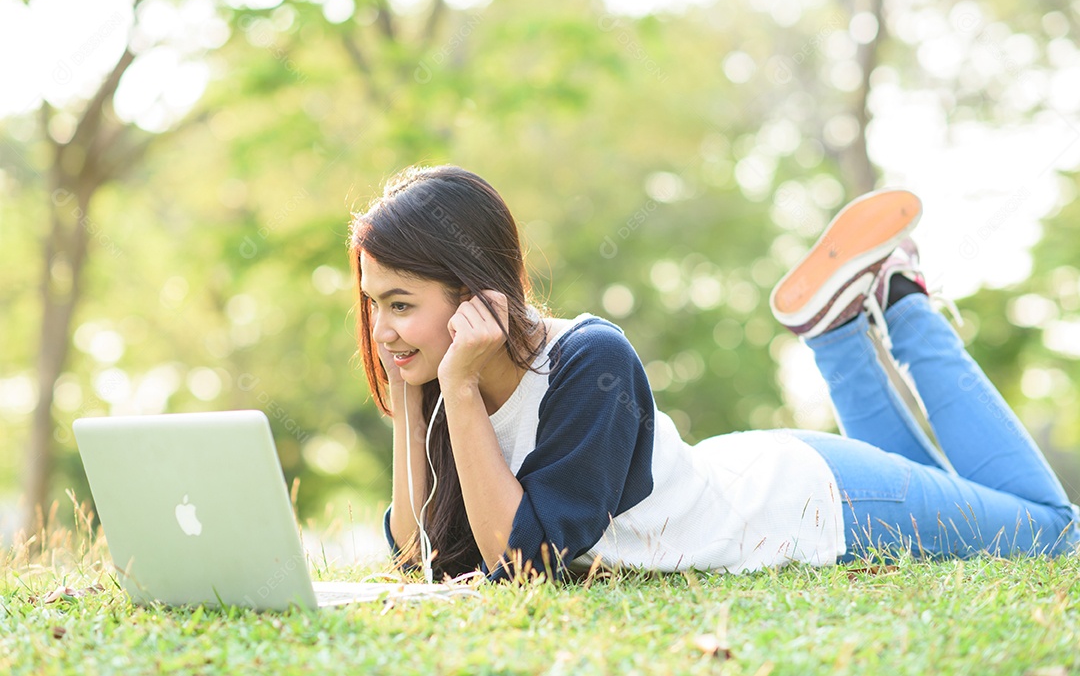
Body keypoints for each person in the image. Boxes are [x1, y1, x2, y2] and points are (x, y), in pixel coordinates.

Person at [348, 164, 1080, 582]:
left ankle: (902, 300)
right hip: (745, 474)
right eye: (374, 303)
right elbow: (420, 554)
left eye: (400, 303)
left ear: (475, 290)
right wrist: (412, 402)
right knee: (969, 502)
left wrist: (458, 391)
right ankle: (838, 333)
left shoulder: (588, 360)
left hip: (814, 499)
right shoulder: (453, 378)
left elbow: (523, 564)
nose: (381, 330)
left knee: (1052, 530)